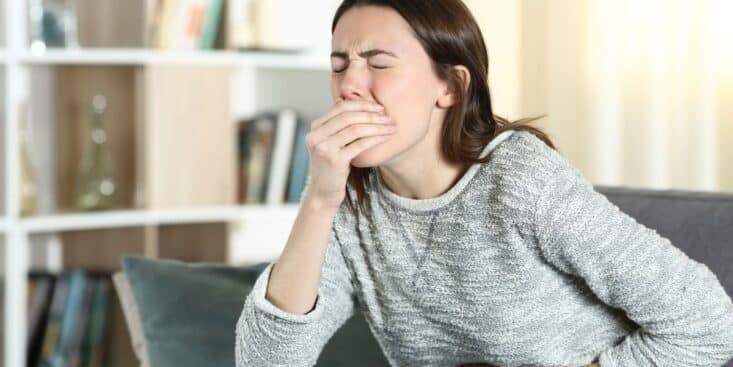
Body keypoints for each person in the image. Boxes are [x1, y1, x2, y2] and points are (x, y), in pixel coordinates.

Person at [235, 1, 733, 366]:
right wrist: (320, 202)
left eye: (379, 64)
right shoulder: (344, 196)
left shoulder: (520, 180)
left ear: (450, 87)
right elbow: (267, 362)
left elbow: (709, 325)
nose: (349, 85)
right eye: (339, 65)